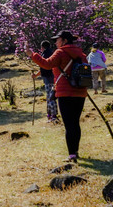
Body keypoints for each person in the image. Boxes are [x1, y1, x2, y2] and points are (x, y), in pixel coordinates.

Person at [25, 30, 88, 163]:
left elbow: (47, 64)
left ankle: (72, 154)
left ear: (64, 40)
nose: (55, 42)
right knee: (75, 123)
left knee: (69, 124)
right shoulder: (81, 53)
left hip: (65, 93)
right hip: (80, 92)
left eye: (57, 39)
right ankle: (75, 151)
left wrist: (32, 55)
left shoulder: (60, 52)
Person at [31, 40, 58, 123]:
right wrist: (36, 75)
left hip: (48, 78)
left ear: (42, 47)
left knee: (50, 97)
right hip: (53, 77)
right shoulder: (53, 53)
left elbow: (44, 66)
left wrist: (36, 75)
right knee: (50, 96)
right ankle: (50, 115)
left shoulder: (45, 54)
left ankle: (53, 116)